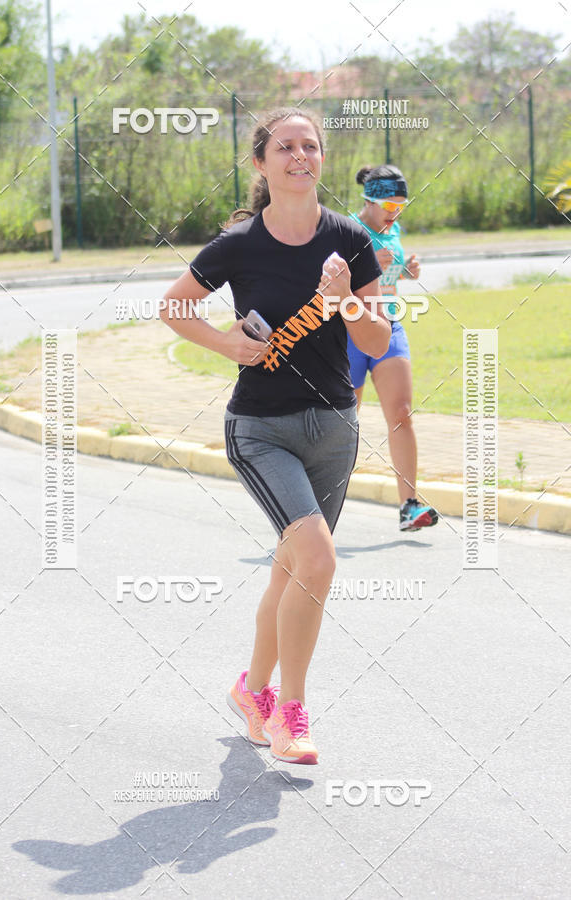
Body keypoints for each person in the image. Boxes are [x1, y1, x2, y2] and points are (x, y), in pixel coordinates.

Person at [161, 107, 390, 764]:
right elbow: (174, 305)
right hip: (260, 428)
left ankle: (251, 691)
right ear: (261, 163)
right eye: (285, 147)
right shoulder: (238, 244)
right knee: (317, 560)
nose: (299, 156)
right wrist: (225, 343)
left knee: (294, 570)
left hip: (334, 428)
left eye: (310, 146)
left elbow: (376, 339)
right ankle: (292, 713)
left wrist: (346, 300)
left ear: (322, 159)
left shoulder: (350, 238)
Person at [347, 164, 438, 532]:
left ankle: (409, 507)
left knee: (401, 413)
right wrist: (364, 262)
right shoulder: (347, 230)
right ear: (369, 200)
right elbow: (327, 283)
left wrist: (407, 270)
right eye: (389, 205)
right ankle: (313, 505)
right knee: (343, 420)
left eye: (401, 205)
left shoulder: (394, 228)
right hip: (352, 331)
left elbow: (391, 274)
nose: (395, 212)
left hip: (390, 326)